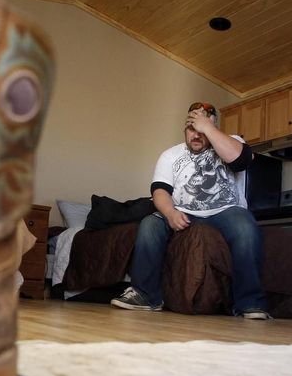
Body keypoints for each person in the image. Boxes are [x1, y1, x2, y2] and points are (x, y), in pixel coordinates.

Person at [111, 102, 271, 320]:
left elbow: (241, 160)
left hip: (225, 210)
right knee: (149, 223)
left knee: (245, 225)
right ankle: (146, 296)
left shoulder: (232, 141)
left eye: (201, 128)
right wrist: (170, 213)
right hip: (183, 210)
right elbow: (159, 191)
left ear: (212, 126)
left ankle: (250, 304)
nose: (196, 135)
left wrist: (208, 127)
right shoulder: (170, 155)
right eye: (191, 128)